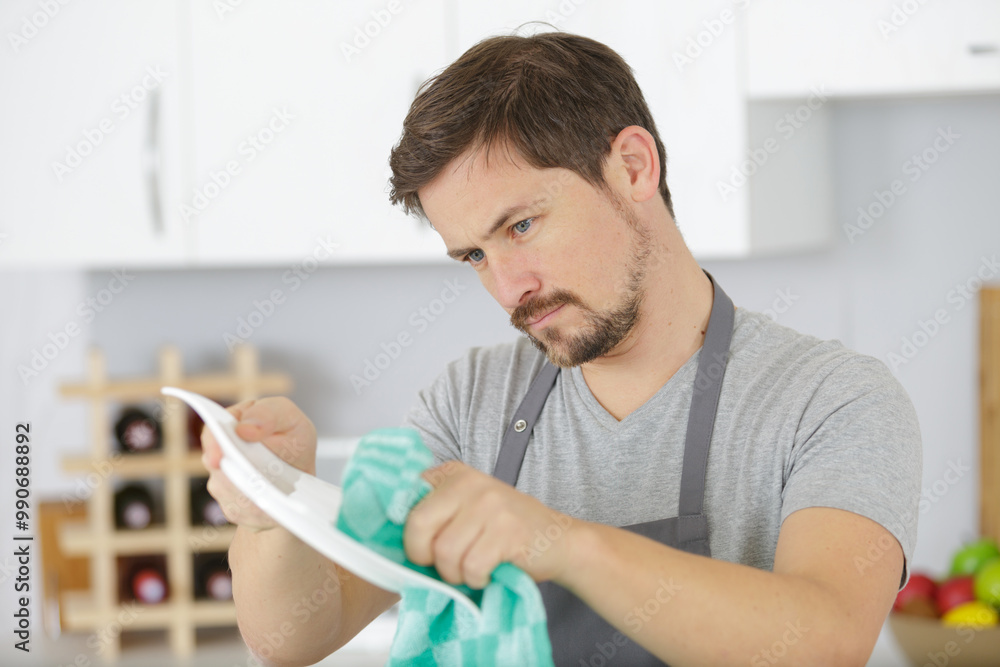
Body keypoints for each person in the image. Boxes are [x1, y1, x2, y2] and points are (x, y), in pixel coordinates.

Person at [202, 31, 922, 666]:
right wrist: (274, 503)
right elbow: (295, 634)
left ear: (633, 168)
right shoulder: (467, 402)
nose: (510, 286)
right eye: (475, 256)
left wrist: (561, 542)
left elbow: (825, 639)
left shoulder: (832, 400)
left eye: (520, 226)